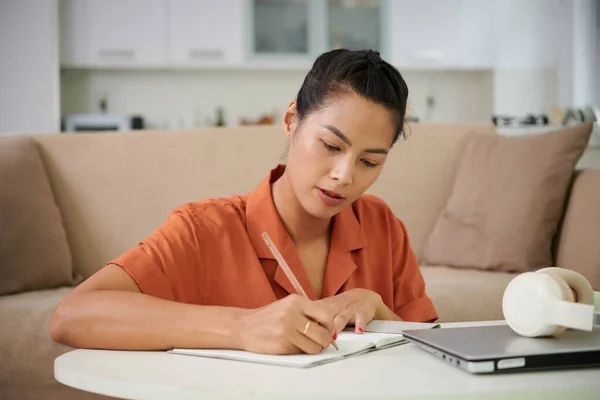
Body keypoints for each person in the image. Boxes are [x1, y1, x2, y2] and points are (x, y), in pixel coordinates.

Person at [49, 48, 438, 356]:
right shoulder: (203, 230)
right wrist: (241, 327)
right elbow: (71, 317)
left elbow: (433, 349)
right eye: (330, 145)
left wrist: (379, 309)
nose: (345, 175)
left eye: (369, 162)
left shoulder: (381, 226)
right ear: (290, 120)